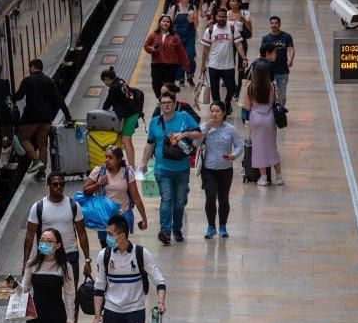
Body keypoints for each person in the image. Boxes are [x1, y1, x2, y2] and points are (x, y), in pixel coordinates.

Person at [25, 172, 92, 323]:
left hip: (69, 255)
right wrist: (25, 264)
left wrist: (87, 259)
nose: (58, 188)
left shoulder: (73, 205)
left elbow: (82, 234)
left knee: (72, 295)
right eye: (55, 184)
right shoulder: (38, 208)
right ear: (48, 185)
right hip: (46, 256)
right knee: (49, 296)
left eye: (61, 184)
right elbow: (29, 237)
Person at [142, 92, 203, 244]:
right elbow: (150, 143)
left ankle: (177, 229)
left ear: (175, 104)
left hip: (182, 169)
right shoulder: (155, 122)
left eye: (169, 102)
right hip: (162, 169)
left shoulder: (184, 117)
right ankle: (165, 231)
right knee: (167, 199)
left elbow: (199, 134)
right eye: (163, 103)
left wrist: (184, 134)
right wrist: (143, 162)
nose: (166, 105)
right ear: (160, 105)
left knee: (179, 201)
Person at [11, 59, 74, 176]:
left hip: (30, 118)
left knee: (23, 139)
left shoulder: (27, 80)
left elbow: (19, 96)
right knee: (42, 144)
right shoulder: (49, 81)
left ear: (33, 67)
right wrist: (68, 116)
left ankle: (35, 159)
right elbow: (59, 99)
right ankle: (42, 172)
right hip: (46, 118)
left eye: (30, 68)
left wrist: (10, 98)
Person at [196, 101, 243, 239]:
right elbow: (195, 143)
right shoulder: (204, 127)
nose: (214, 114)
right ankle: (211, 226)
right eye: (212, 111)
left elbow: (239, 146)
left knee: (223, 199)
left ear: (223, 113)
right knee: (210, 197)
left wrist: (233, 155)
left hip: (225, 170)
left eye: (217, 111)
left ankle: (222, 226)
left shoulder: (230, 129)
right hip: (208, 169)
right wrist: (204, 129)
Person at [84, 146, 149, 235]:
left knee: (122, 246)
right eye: (106, 157)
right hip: (104, 216)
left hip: (123, 216)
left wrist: (144, 218)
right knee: (106, 247)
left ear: (119, 160)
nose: (107, 160)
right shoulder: (98, 171)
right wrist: (98, 184)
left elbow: (136, 198)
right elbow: (85, 190)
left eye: (110, 157)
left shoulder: (127, 173)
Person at [201, 7, 247, 117]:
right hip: (213, 65)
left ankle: (227, 102)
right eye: (219, 16)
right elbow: (206, 49)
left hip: (228, 65)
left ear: (226, 17)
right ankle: (218, 111)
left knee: (231, 88)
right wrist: (203, 64)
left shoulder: (232, 29)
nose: (221, 18)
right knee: (215, 90)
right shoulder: (210, 30)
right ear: (215, 17)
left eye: (223, 16)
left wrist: (244, 58)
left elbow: (239, 44)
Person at [242, 64, 283, 186]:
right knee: (272, 147)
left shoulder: (249, 86)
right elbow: (278, 101)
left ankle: (263, 177)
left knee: (258, 148)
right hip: (270, 119)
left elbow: (247, 106)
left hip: (256, 119)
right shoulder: (271, 85)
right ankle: (279, 177)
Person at [144, 15, 191, 99]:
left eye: (168, 22)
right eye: (163, 21)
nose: (165, 23)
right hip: (156, 64)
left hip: (171, 66)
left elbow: (181, 51)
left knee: (169, 86)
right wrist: (152, 49)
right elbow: (146, 46)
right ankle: (161, 100)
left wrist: (186, 64)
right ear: (159, 23)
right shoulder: (153, 34)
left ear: (170, 24)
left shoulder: (175, 37)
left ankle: (170, 101)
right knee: (156, 84)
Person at [260, 16, 295, 104]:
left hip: (283, 71)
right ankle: (272, 114)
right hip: (270, 71)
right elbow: (262, 53)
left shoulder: (286, 36)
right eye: (272, 23)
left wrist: (290, 60)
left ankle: (280, 113)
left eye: (276, 23)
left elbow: (291, 49)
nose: (274, 25)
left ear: (279, 24)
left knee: (282, 96)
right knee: (270, 95)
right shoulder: (266, 38)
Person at [169, 0, 199, 87]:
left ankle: (189, 75)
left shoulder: (192, 7)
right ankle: (181, 78)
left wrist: (192, 20)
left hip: (189, 36)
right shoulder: (175, 8)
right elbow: (170, 24)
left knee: (189, 55)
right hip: (178, 37)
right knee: (179, 57)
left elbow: (196, 25)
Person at [226, 0, 252, 71]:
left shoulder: (245, 13)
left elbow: (250, 29)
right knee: (231, 60)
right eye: (230, 1)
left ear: (239, 3)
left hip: (241, 37)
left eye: (233, 1)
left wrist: (244, 21)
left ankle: (240, 81)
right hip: (230, 38)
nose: (231, 2)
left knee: (242, 61)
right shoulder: (227, 13)